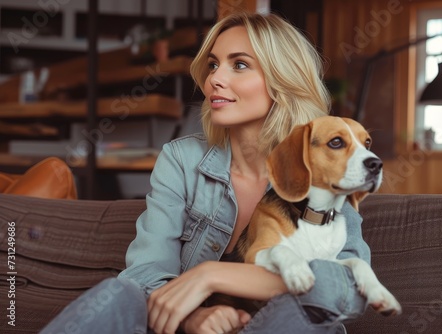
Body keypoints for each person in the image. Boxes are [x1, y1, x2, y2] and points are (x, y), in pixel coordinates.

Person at [41, 12, 369, 334]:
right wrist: (193, 318)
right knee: (119, 292)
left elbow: (348, 290)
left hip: (282, 325)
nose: (215, 78)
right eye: (213, 64)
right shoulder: (181, 160)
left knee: (301, 309)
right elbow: (144, 274)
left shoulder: (326, 170)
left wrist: (211, 275)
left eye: (239, 64)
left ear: (282, 79)